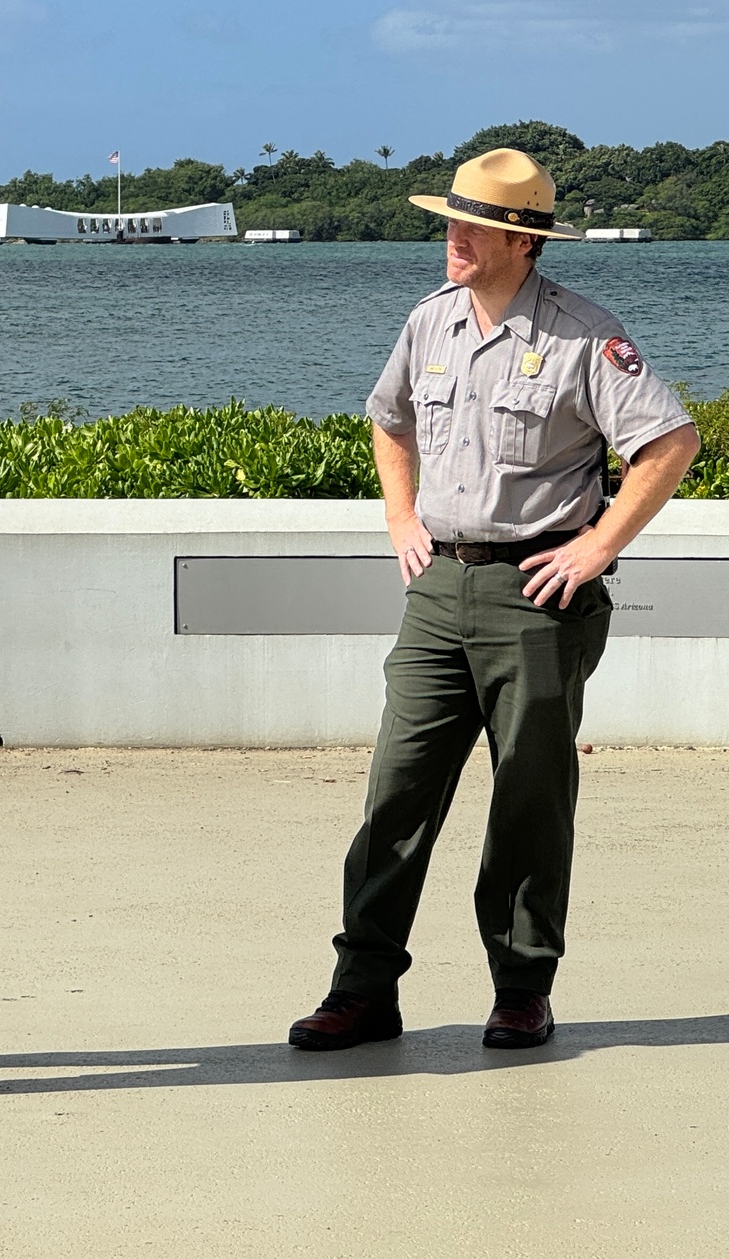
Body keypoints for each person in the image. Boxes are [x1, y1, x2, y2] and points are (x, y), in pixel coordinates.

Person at [289, 148, 699, 1052]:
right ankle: (362, 987)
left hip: (536, 596)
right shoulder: (430, 322)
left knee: (528, 799)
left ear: (524, 242)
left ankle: (522, 986)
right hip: (439, 589)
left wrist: (597, 546)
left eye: (476, 226)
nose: (455, 238)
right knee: (395, 790)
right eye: (452, 221)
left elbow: (670, 441)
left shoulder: (586, 336)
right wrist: (402, 515)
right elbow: (389, 418)